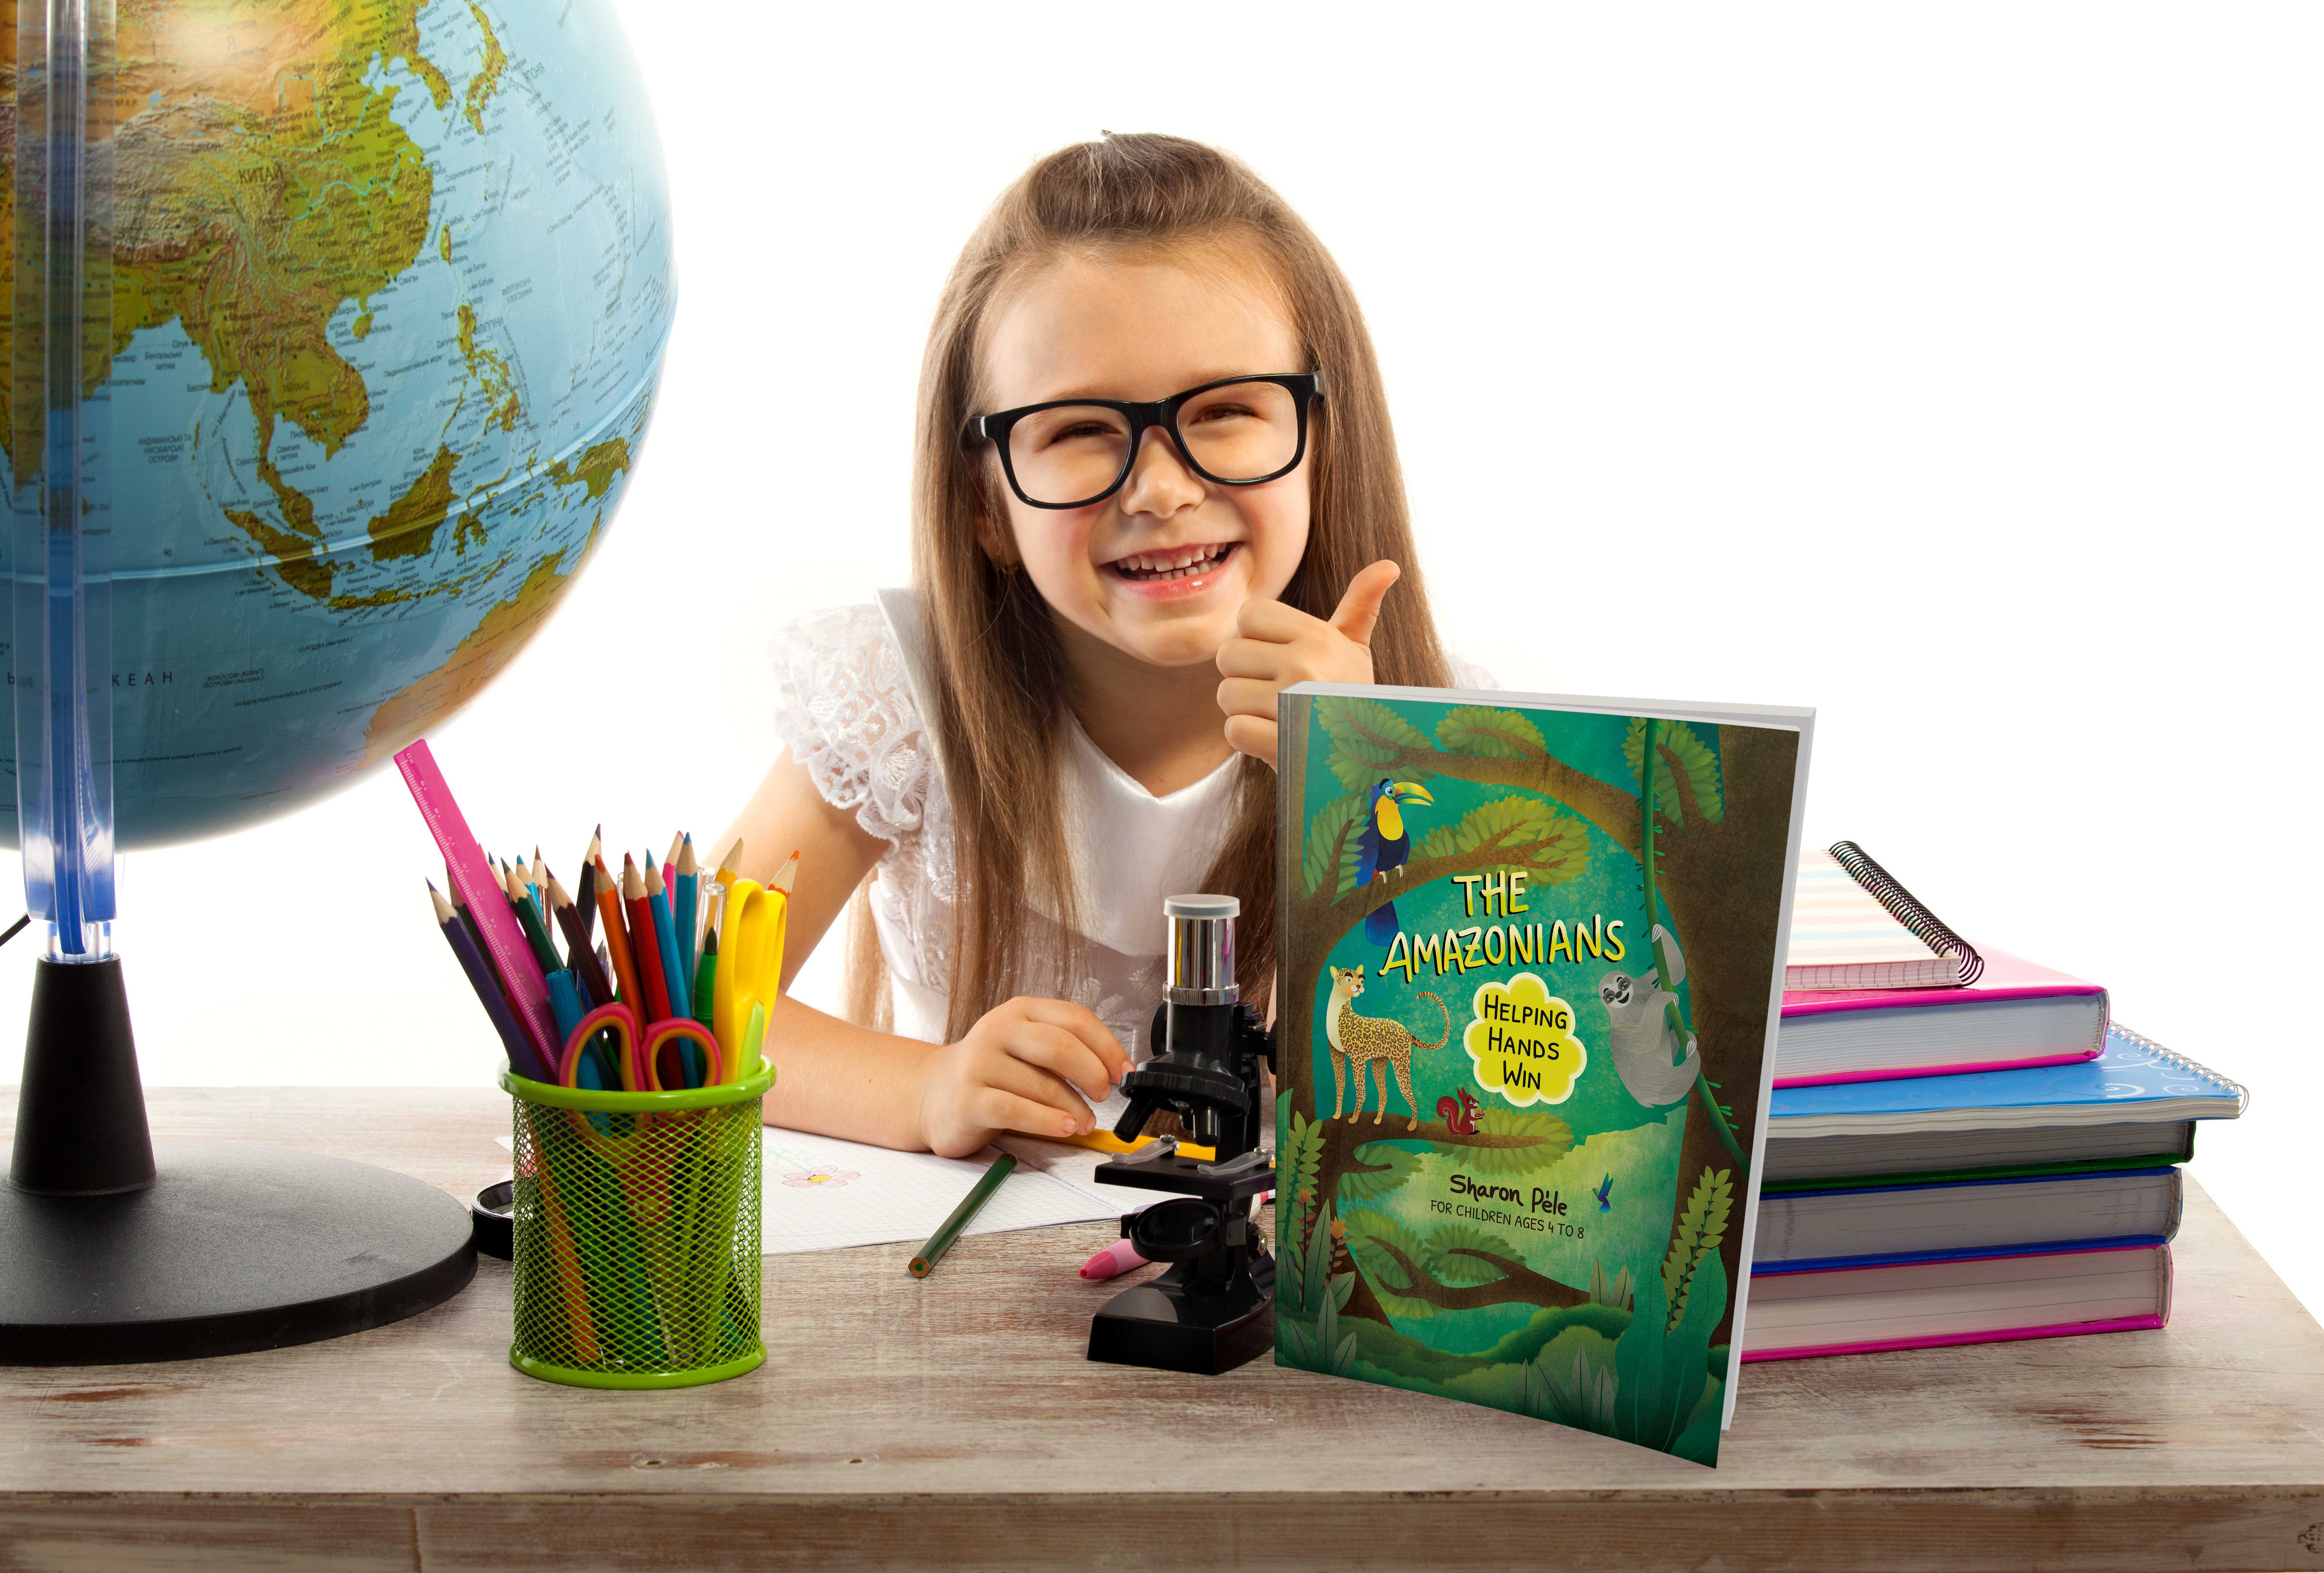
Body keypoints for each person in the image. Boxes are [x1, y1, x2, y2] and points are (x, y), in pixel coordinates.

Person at [720, 132, 1471, 1157]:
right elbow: (676, 1005)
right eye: (1077, 429)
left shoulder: (1427, 731)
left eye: (1226, 411)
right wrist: (925, 1089)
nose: (1161, 489)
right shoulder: (899, 697)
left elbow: (1478, 1079)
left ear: (1322, 446)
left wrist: (1359, 776)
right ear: (987, 499)